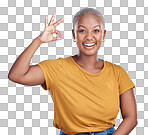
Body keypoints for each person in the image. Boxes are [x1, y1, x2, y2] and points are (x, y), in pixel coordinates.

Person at [8, 8, 138, 135]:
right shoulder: (58, 68)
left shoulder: (118, 73)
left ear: (103, 34)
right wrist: (39, 40)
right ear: (74, 35)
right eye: (82, 31)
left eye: (96, 31)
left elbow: (131, 118)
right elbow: (17, 75)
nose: (89, 37)